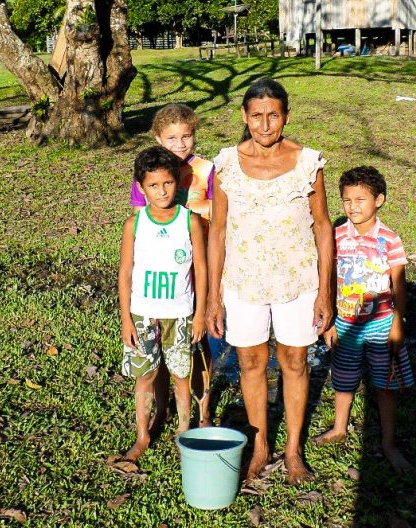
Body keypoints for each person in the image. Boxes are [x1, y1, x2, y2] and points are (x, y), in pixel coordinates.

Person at [206, 78, 334, 484]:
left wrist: (325, 292)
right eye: (257, 116)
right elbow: (218, 231)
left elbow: (323, 226)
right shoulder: (226, 164)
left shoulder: (307, 163)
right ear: (244, 116)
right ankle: (261, 445)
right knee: (250, 361)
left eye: (273, 116)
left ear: (286, 117)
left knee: (295, 361)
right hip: (243, 280)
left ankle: (293, 450)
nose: (265, 125)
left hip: (298, 279)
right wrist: (213, 297)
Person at [314, 166, 414, 474]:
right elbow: (328, 280)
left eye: (360, 199)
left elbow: (398, 286)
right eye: (347, 200)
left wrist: (397, 324)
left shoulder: (389, 239)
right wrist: (330, 321)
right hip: (345, 324)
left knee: (385, 385)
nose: (353, 206)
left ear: (379, 200)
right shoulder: (335, 237)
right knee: (343, 379)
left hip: (381, 325)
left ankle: (388, 443)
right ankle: (339, 427)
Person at [117, 146, 207, 463]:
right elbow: (125, 273)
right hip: (143, 314)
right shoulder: (134, 224)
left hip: (180, 314)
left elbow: (201, 270)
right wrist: (126, 319)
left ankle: (183, 433)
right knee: (146, 375)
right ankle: (142, 435)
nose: (162, 191)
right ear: (141, 188)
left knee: (181, 376)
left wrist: (200, 314)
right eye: (153, 185)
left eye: (167, 183)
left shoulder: (190, 221)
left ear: (177, 183)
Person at [129, 104, 215, 426]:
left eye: (186, 137)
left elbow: (219, 211)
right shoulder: (149, 170)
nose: (180, 144)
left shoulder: (206, 169)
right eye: (171, 138)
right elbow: (140, 221)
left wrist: (196, 209)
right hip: (162, 271)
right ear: (158, 138)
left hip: (198, 262)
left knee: (198, 343)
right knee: (162, 350)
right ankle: (162, 409)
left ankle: (203, 412)